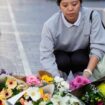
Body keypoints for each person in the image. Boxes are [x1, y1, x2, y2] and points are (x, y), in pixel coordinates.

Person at [40, 0, 105, 79]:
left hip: (82, 57)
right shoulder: (50, 25)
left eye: (74, 4)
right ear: (59, 6)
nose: (70, 8)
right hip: (60, 58)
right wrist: (57, 80)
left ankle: (81, 81)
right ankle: (61, 78)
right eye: (65, 5)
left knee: (79, 58)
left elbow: (98, 47)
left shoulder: (92, 16)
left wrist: (88, 71)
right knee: (62, 60)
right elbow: (46, 55)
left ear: (80, 3)